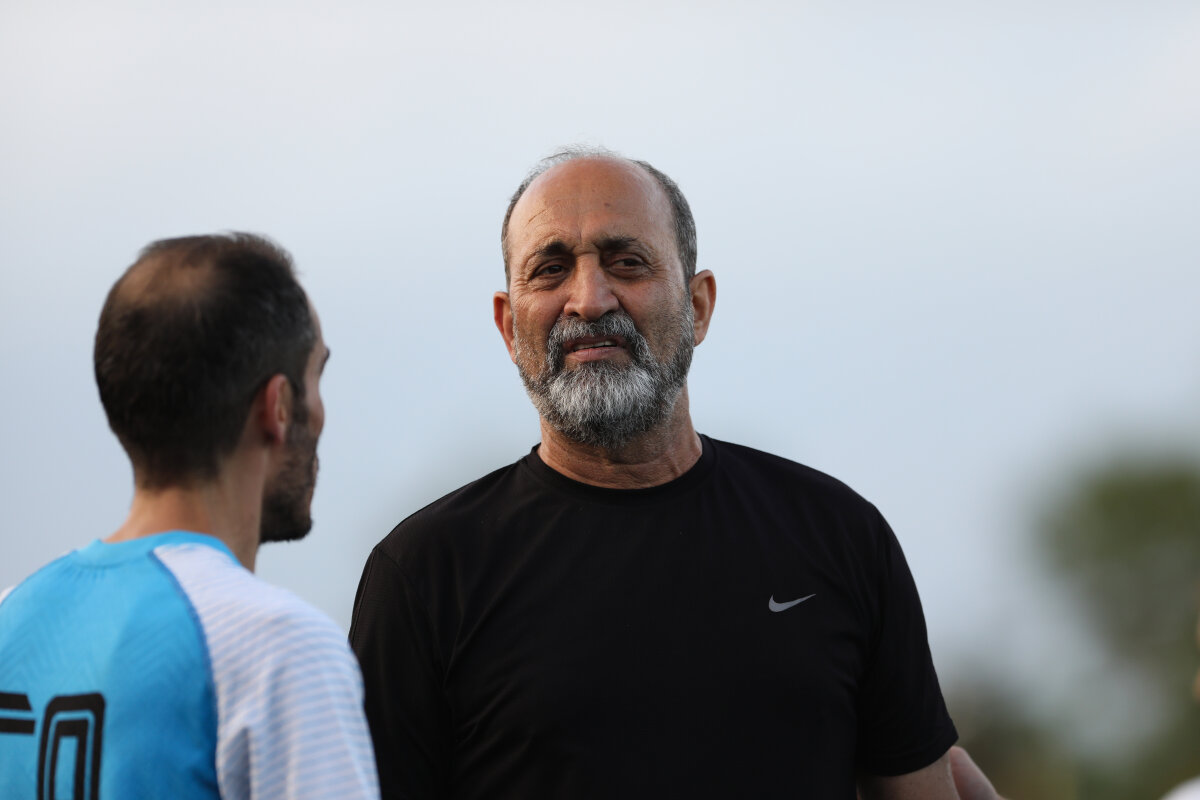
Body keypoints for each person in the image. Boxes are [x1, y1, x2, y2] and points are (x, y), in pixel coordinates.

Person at [350, 149, 959, 798]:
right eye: (550, 269)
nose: (589, 301)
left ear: (698, 306)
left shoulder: (839, 536)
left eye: (627, 262)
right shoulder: (424, 574)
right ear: (508, 326)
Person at [0, 234, 379, 798]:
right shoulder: (279, 648)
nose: (322, 412)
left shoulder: (10, 619)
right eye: (315, 376)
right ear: (278, 406)